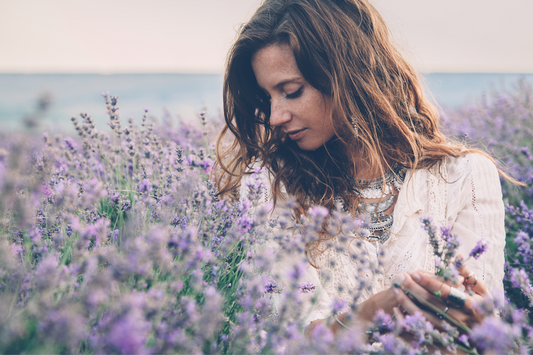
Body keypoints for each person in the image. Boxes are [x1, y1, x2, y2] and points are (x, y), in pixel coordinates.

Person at [214, 0, 506, 339]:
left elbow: (481, 327)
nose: (276, 115)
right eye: (267, 99)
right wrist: (370, 315)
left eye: (291, 91)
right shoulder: (271, 186)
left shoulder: (465, 178)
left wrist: (474, 322)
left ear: (345, 75)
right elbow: (285, 337)